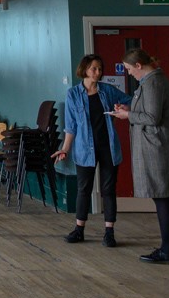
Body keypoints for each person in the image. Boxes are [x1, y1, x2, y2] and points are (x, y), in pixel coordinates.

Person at [110, 48, 169, 264]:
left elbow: (152, 117)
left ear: (138, 66)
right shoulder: (154, 81)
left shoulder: (153, 82)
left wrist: (127, 115)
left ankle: (167, 250)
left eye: (128, 69)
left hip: (157, 147)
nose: (128, 74)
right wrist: (129, 109)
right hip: (161, 145)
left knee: (162, 195)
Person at [52, 55, 130, 247]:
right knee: (83, 189)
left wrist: (124, 108)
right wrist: (65, 149)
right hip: (84, 149)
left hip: (108, 147)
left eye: (100, 69)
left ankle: (109, 232)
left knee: (108, 190)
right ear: (85, 69)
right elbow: (71, 127)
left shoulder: (107, 91)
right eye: (94, 68)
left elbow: (129, 100)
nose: (98, 72)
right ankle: (79, 230)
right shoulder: (73, 94)